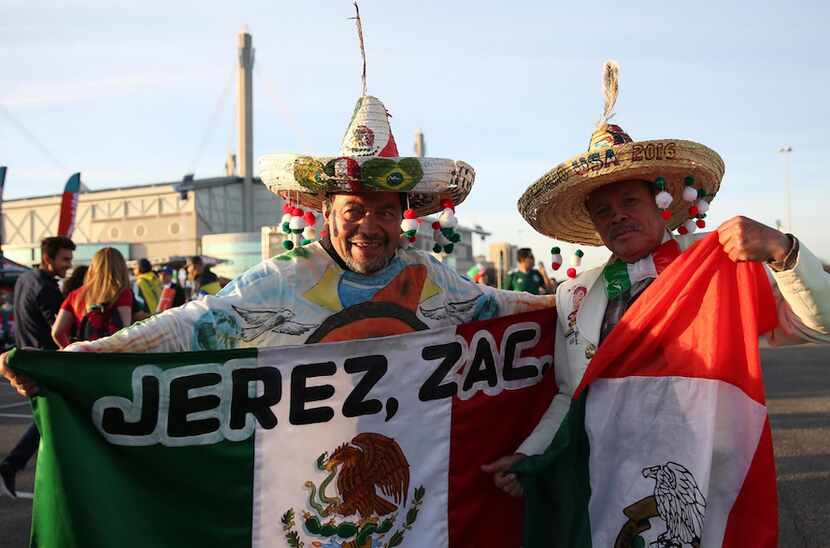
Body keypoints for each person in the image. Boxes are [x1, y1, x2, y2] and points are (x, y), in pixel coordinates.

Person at [484, 61, 830, 498]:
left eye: (629, 200)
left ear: (661, 201)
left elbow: (818, 325)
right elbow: (570, 396)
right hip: (609, 483)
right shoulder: (575, 294)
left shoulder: (720, 262)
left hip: (706, 480)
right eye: (603, 211)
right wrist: (532, 454)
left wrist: (785, 251)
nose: (618, 216)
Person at [0, 92, 552, 362]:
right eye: (354, 208)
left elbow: (494, 306)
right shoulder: (286, 278)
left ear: (403, 215)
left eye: (385, 209)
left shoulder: (426, 274)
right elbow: (193, 324)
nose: (370, 225)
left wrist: (576, 303)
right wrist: (80, 361)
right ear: (327, 211)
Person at [0, 236, 74, 498]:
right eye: (65, 259)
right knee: (53, 417)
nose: (69, 265)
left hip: (27, 358)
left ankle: (15, 466)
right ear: (48, 258)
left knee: (47, 418)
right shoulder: (46, 288)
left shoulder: (24, 279)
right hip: (46, 362)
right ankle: (13, 465)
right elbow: (60, 331)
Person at [52, 247, 132, 348]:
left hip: (84, 359)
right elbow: (125, 333)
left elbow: (57, 332)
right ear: (121, 267)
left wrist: (71, 351)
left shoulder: (75, 295)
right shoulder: (122, 293)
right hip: (110, 358)